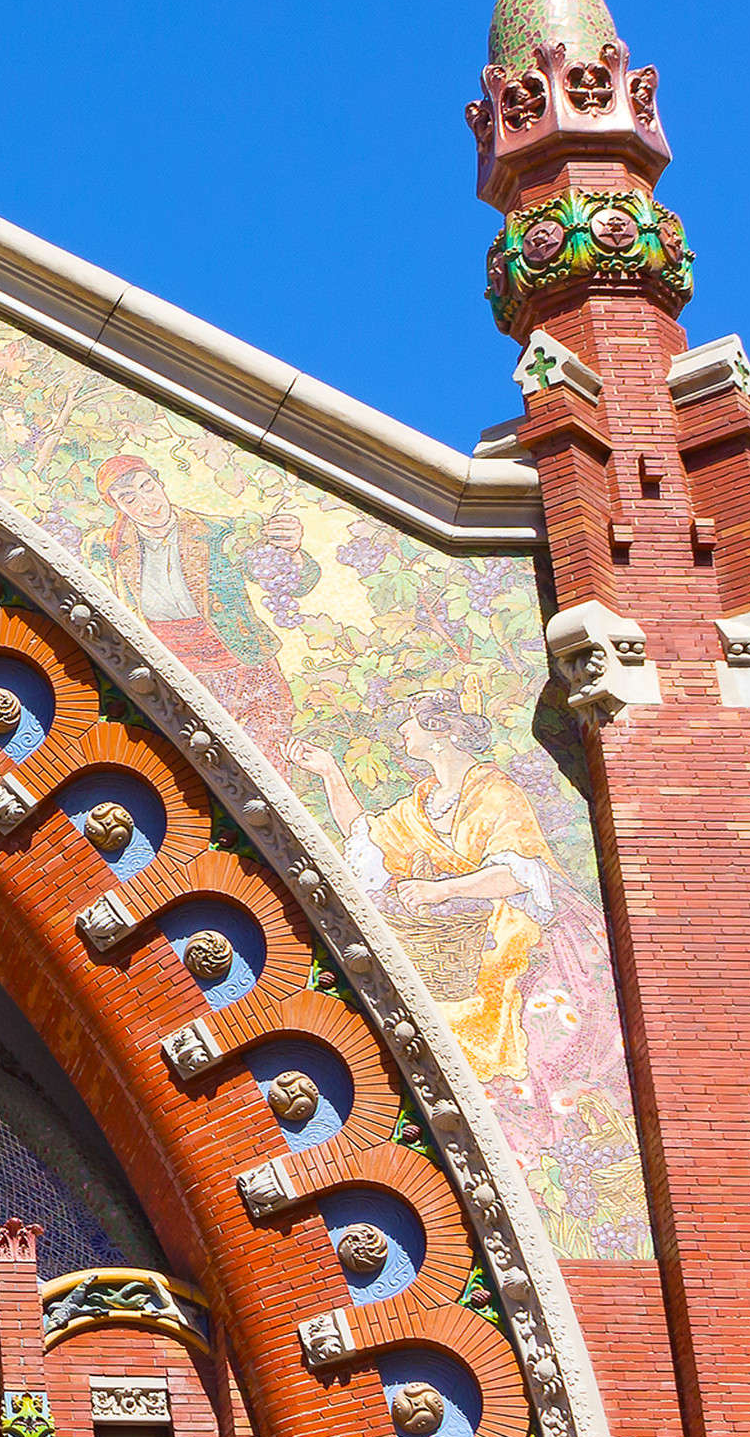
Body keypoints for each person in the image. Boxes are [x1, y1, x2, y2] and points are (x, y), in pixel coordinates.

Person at [290, 694, 592, 1093]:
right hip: (455, 939)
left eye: (410, 721)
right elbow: (367, 834)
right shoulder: (424, 799)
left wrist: (441, 890)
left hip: (514, 934)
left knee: (499, 1027)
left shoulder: (494, 791)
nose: (401, 730)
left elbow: (521, 873)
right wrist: (329, 772)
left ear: (442, 731)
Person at [88, 456, 311, 758]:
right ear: (118, 507)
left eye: (147, 486)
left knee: (265, 755)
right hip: (177, 676)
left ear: (160, 482)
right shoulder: (109, 548)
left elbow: (294, 583)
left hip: (243, 666)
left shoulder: (217, 533)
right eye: (129, 498)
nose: (147, 502)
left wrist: (292, 552)